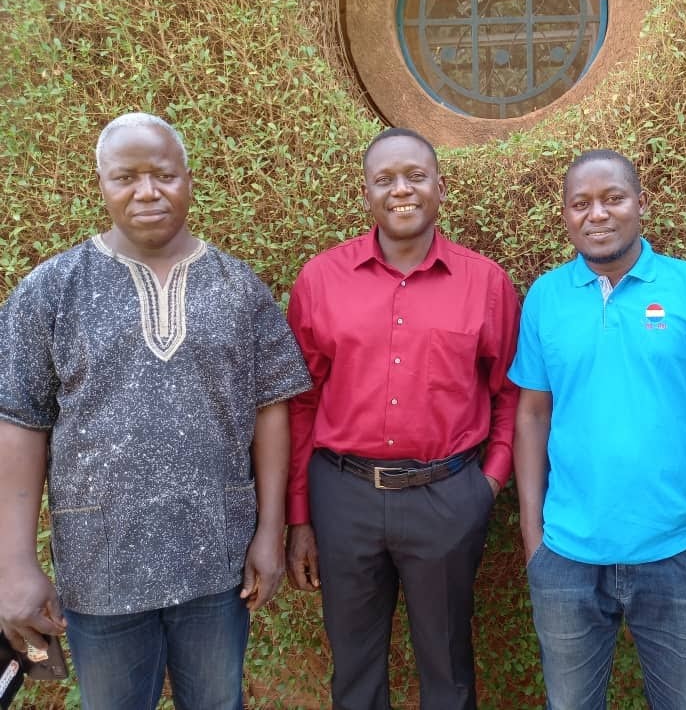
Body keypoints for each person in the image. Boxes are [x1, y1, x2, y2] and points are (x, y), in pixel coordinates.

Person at [0, 112, 312, 709]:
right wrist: (13, 563)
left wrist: (269, 532)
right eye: (126, 177)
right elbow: (19, 423)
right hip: (101, 566)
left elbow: (272, 408)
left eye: (163, 175)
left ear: (188, 180)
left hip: (216, 563)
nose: (147, 191)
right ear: (101, 184)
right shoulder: (52, 289)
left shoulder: (238, 288)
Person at [284, 127, 520, 710]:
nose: (401, 190)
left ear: (440, 186)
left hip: (447, 496)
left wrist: (488, 483)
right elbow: (301, 403)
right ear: (365, 193)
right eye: (384, 179)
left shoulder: (485, 283)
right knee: (354, 672)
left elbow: (510, 394)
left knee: (448, 669)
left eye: (415, 176)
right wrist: (300, 515)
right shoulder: (320, 280)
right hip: (343, 497)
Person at [509, 149, 686, 710]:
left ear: (641, 203)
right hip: (565, 555)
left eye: (612, 198)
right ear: (565, 215)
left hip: (680, 553)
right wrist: (533, 538)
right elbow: (531, 415)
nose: (597, 214)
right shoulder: (545, 297)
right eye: (581, 203)